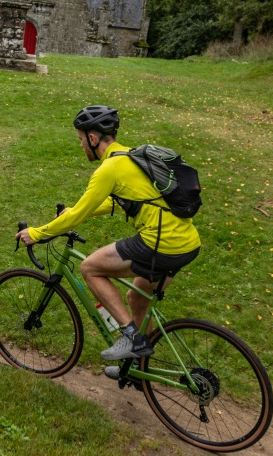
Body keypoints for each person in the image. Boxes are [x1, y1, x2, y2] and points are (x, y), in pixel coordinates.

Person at [15, 105, 201, 372]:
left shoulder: (109, 168)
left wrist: (36, 233)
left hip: (161, 243)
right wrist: (77, 212)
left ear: (93, 139)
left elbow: (78, 215)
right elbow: (122, 201)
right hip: (186, 242)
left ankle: (131, 338)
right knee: (138, 299)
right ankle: (141, 369)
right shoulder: (130, 157)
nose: (80, 146)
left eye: (81, 140)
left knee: (90, 267)